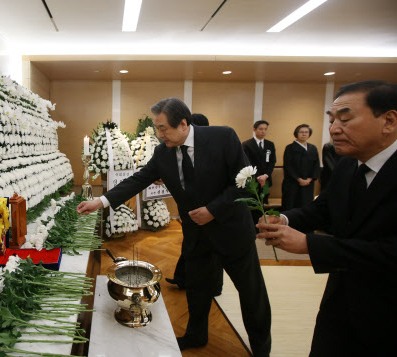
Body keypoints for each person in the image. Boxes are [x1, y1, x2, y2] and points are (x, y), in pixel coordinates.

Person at [78, 98, 271, 354]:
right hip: (196, 234)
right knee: (197, 290)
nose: (159, 135)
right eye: (157, 129)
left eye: (162, 128)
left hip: (231, 231)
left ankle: (261, 349)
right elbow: (139, 179)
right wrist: (101, 201)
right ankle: (196, 335)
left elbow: (244, 181)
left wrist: (213, 210)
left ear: (182, 124)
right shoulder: (163, 152)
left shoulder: (223, 137)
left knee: (251, 295)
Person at [257, 80, 397, 356]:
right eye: (331, 120)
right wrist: (284, 220)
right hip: (340, 301)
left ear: (389, 121)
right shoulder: (347, 164)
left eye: (345, 119)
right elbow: (323, 210)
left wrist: (310, 245)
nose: (333, 129)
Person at [166, 113, 223, 297]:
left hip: (214, 213)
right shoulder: (177, 149)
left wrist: (213, 210)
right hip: (191, 213)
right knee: (191, 247)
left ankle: (213, 287)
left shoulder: (216, 148)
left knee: (214, 253)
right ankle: (184, 279)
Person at [281, 124, 319, 210]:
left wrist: (310, 179)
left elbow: (316, 165)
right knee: (291, 206)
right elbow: (288, 166)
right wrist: (299, 179)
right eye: (301, 132)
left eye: (306, 132)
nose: (304, 134)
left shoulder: (313, 148)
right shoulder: (290, 148)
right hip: (293, 183)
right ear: (296, 133)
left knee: (306, 207)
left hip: (308, 184)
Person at [242, 120, 277, 201]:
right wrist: (258, 177)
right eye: (261, 129)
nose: (263, 131)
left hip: (266, 179)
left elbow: (272, 162)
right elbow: (247, 163)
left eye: (265, 129)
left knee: (263, 204)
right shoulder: (246, 144)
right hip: (253, 179)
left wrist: (265, 176)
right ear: (254, 129)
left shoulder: (270, 144)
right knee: (253, 205)